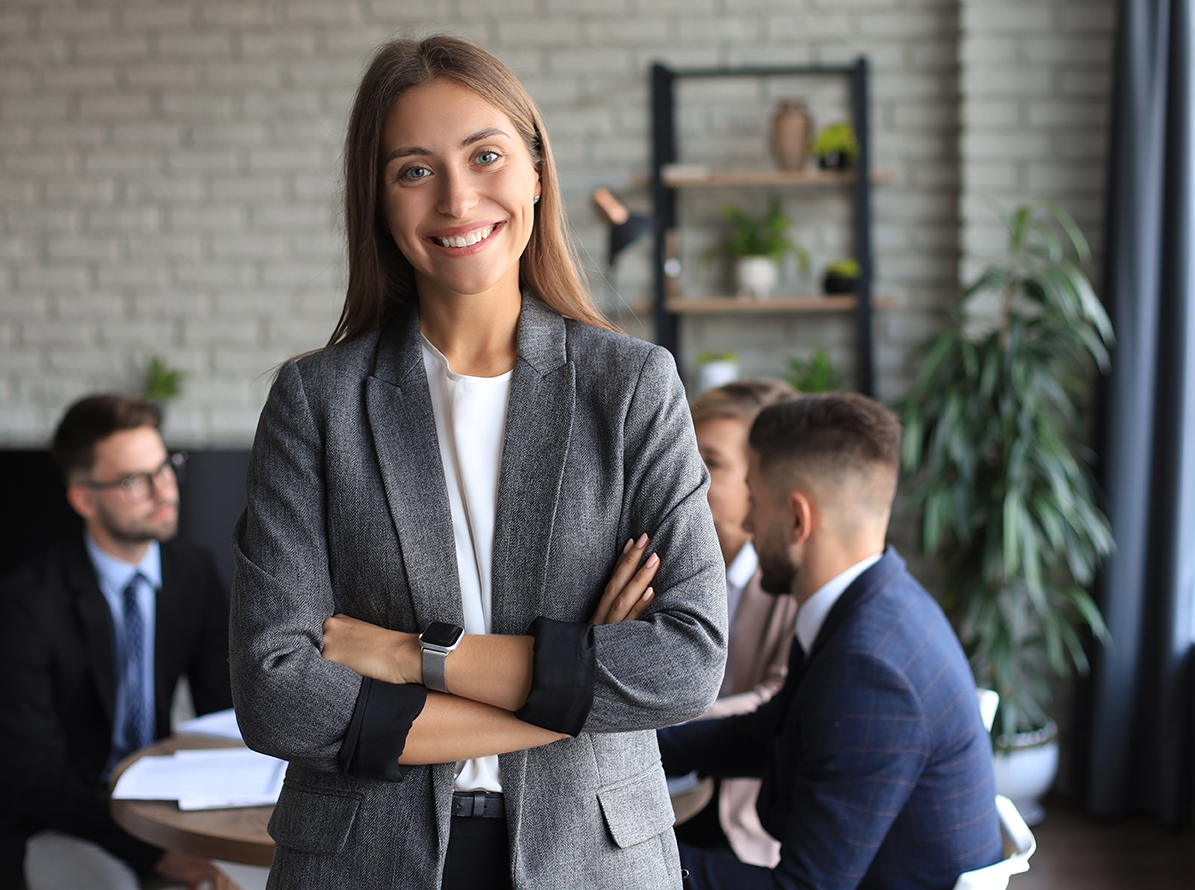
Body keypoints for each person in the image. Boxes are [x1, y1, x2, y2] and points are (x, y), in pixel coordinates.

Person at [229, 35, 726, 890]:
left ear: (536, 170)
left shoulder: (633, 387)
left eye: (485, 156)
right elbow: (276, 692)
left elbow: (687, 661)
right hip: (363, 861)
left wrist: (403, 656)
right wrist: (571, 698)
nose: (458, 199)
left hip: (594, 858)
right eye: (413, 171)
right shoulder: (316, 402)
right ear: (380, 203)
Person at [658, 393, 1002, 890]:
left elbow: (803, 888)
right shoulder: (874, 600)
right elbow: (762, 734)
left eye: (755, 500)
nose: (748, 523)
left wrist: (629, 856)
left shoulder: (870, 668)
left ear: (798, 520)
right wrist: (631, 751)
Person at [0, 395, 235, 890]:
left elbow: (225, 709)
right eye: (134, 481)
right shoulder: (26, 603)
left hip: (159, 799)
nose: (164, 491)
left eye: (165, 468)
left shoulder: (193, 574)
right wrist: (152, 854)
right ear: (83, 499)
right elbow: (34, 776)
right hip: (55, 820)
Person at [674, 380, 799, 867]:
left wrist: (672, 713)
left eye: (713, 462)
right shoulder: (669, 561)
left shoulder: (793, 581)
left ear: (761, 479)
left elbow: (781, 699)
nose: (687, 473)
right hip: (672, 791)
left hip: (747, 820)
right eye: (685, 452)